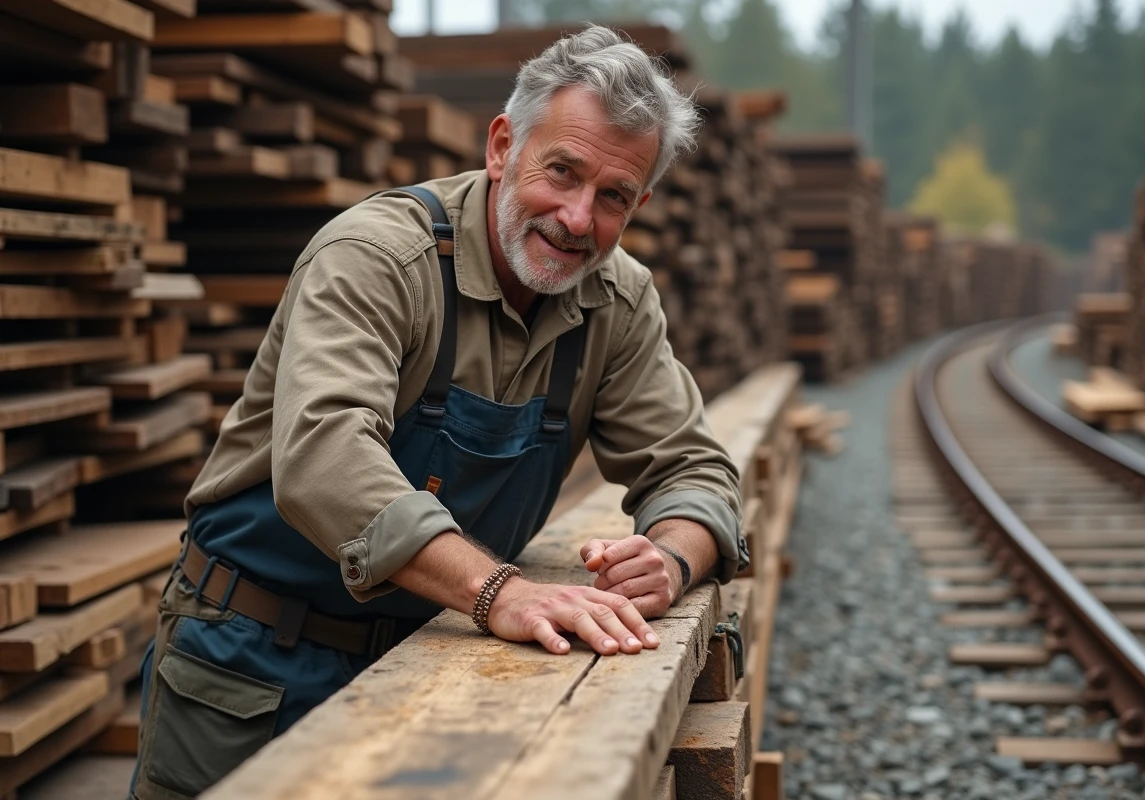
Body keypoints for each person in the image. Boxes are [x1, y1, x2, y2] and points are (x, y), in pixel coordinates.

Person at [131, 25, 747, 800]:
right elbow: (325, 456)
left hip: (431, 662)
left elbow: (695, 470)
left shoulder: (616, 299)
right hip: (250, 661)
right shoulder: (377, 257)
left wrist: (672, 560)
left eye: (613, 197)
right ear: (502, 147)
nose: (576, 218)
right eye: (562, 172)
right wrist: (502, 593)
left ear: (640, 204)